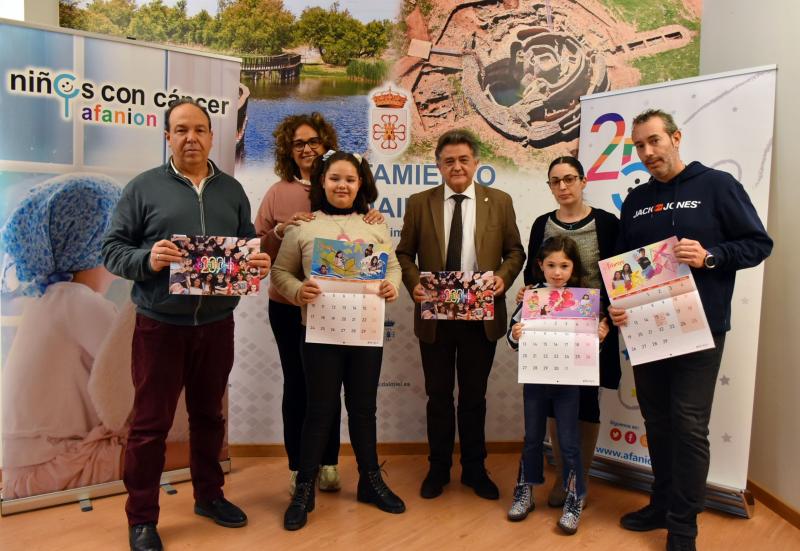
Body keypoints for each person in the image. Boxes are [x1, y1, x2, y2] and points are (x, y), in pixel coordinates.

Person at [102, 98, 271, 551]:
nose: (191, 137)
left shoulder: (231, 190)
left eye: (199, 129)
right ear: (168, 137)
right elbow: (112, 250)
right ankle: (141, 518)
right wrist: (147, 258)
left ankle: (209, 497)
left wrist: (255, 260)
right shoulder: (143, 189)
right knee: (149, 426)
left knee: (210, 416)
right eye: (181, 130)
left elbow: (245, 243)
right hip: (160, 326)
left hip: (217, 324)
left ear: (213, 136)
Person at [609, 109, 772, 551]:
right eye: (640, 146)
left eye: (654, 141)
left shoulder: (717, 186)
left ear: (676, 138)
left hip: (702, 328)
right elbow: (622, 266)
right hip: (647, 330)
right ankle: (660, 503)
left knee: (688, 424)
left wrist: (711, 256)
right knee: (657, 421)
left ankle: (683, 526)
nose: (647, 152)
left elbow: (759, 243)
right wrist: (618, 305)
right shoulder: (638, 201)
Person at [271, 150, 405, 531]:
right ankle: (304, 488)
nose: (342, 185)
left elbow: (392, 265)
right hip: (320, 334)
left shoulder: (375, 225)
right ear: (322, 183)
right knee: (319, 410)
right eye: (334, 179)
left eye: (350, 179)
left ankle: (370, 481)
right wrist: (298, 291)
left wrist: (391, 286)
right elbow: (281, 272)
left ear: (360, 183)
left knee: (364, 410)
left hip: (365, 332)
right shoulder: (304, 226)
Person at [254, 112, 384, 494]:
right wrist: (280, 230)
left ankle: (327, 461)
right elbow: (257, 246)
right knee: (299, 385)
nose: (307, 149)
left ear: (326, 144)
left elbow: (374, 249)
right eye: (298, 144)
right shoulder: (278, 192)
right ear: (288, 152)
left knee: (327, 389)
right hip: (289, 306)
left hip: (340, 309)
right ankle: (300, 466)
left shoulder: (348, 189)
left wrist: (372, 214)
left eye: (314, 141)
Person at [396, 129, 525, 500]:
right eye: (448, 160)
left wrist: (502, 280)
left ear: (476, 164)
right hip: (434, 317)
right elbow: (404, 254)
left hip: (480, 318)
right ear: (438, 165)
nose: (456, 166)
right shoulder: (420, 203)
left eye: (463, 159)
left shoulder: (499, 201)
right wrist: (413, 283)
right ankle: (437, 469)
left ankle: (473, 469)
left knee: (473, 397)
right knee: (438, 397)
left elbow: (515, 252)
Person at [0, 173, 124, 500]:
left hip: (28, 468)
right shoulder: (78, 301)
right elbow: (141, 376)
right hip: (52, 467)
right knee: (188, 447)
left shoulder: (55, 296)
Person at [516, 156, 621, 508]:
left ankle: (578, 477)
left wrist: (605, 320)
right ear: (549, 186)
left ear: (583, 180)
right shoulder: (541, 224)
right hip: (551, 331)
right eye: (555, 181)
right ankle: (562, 472)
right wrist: (527, 296)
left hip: (595, 328)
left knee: (587, 403)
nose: (563, 187)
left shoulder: (607, 223)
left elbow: (617, 278)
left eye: (570, 179)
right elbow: (534, 275)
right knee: (551, 399)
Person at [506, 236, 610, 533]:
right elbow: (512, 342)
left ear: (573, 267)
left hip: (569, 383)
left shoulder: (583, 301)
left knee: (569, 442)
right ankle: (524, 491)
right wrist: (516, 332)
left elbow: (591, 351)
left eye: (564, 265)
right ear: (540, 265)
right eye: (550, 265)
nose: (557, 272)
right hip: (536, 381)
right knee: (532, 438)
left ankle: (575, 498)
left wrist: (599, 337)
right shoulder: (531, 297)